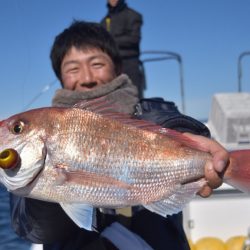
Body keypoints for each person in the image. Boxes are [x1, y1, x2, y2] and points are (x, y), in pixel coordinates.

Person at [10, 20, 229, 250]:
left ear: (118, 68)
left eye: (97, 64)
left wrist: (187, 137)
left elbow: (164, 121)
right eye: (73, 69)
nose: (87, 78)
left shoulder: (147, 112)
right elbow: (30, 227)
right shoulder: (34, 140)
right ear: (61, 77)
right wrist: (49, 177)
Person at [101, 0, 145, 99]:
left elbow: (134, 39)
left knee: (134, 101)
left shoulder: (133, 15)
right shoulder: (104, 21)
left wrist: (109, 40)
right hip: (111, 67)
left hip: (130, 65)